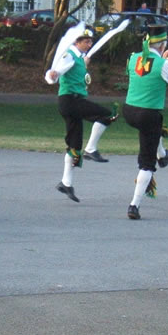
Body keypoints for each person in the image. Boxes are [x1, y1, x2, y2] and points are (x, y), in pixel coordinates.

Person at [122, 24, 168, 220]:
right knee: (146, 163)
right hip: (148, 114)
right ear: (162, 45)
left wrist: (164, 60)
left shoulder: (133, 58)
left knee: (154, 128)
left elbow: (140, 70)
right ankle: (134, 205)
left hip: (129, 110)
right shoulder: (164, 64)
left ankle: (163, 155)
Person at [44, 26, 119, 203]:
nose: (89, 44)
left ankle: (66, 183)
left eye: (91, 41)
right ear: (77, 42)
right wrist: (52, 75)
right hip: (71, 101)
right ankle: (91, 149)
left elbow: (77, 74)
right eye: (86, 41)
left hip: (71, 101)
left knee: (74, 145)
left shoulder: (79, 58)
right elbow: (56, 72)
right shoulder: (69, 55)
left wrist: (84, 65)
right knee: (108, 115)